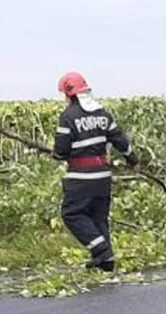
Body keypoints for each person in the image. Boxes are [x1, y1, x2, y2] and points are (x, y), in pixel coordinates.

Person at [51, 71, 138, 272]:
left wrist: (56, 154)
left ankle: (101, 249)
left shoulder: (68, 117)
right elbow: (121, 141)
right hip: (103, 176)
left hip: (81, 177)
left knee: (72, 214)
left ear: (69, 94)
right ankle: (106, 262)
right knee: (98, 217)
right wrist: (133, 160)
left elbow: (61, 151)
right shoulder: (103, 115)